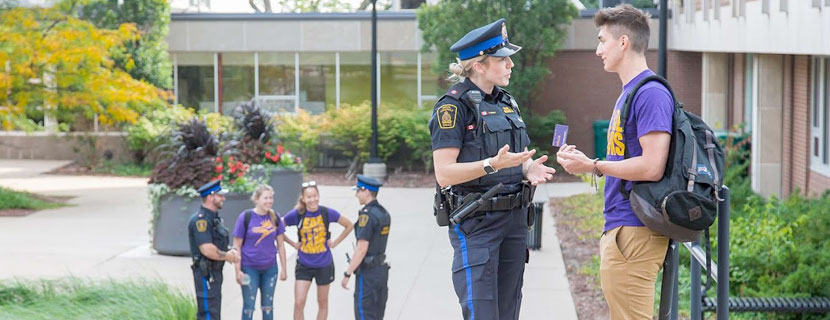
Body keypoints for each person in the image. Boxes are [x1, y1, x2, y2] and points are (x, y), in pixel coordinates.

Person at [428, 18, 557, 320]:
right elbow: (444, 173)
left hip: (514, 221)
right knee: (483, 312)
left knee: (508, 312)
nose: (511, 64)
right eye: (502, 59)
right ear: (479, 66)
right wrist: (491, 165)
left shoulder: (506, 102)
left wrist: (528, 168)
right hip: (477, 224)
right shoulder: (452, 107)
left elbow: (516, 157)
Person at [556, 4, 672, 320]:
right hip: (624, 229)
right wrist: (588, 163)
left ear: (623, 42)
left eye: (602, 41)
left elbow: (652, 166)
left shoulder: (650, 94)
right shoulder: (629, 92)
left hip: (635, 230)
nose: (598, 51)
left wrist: (593, 165)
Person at [283, 181, 354, 320]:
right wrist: (292, 243)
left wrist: (335, 242)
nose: (312, 199)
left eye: (315, 196)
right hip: (304, 264)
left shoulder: (326, 212)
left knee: (322, 302)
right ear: (303, 199)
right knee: (299, 303)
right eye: (309, 197)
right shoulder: (297, 214)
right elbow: (278, 227)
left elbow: (349, 225)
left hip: (324, 264)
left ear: (318, 196)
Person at [232, 184, 291, 320]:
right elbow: (237, 246)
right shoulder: (245, 217)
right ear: (257, 199)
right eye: (265, 198)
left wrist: (284, 269)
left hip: (270, 269)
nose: (269, 201)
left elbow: (281, 245)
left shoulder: (275, 217)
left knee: (268, 306)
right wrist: (238, 270)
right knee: (248, 307)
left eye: (271, 198)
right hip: (249, 268)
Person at [340, 174, 391, 320]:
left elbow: (362, 249)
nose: (356, 194)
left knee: (364, 313)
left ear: (366, 191)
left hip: (368, 273)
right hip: (381, 271)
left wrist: (347, 273)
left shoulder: (367, 217)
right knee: (377, 314)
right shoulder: (383, 213)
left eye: (358, 191)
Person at [188, 180, 240, 320]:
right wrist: (227, 255)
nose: (223, 198)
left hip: (214, 272)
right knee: (208, 313)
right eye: (220, 195)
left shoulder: (214, 219)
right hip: (206, 274)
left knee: (214, 311)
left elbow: (217, 244)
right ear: (210, 197)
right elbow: (207, 249)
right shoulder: (201, 221)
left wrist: (229, 250)